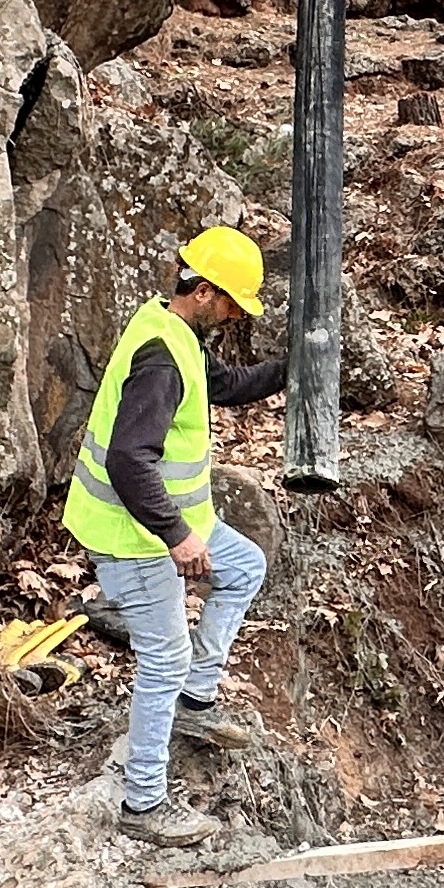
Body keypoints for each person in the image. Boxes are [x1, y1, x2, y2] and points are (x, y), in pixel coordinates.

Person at [62, 225, 286, 846]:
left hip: (165, 521)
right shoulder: (161, 355)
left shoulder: (173, 327)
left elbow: (217, 386)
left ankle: (195, 704)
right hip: (132, 533)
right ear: (207, 290)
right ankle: (144, 803)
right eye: (235, 303)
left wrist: (289, 371)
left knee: (243, 569)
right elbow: (129, 459)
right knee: (164, 655)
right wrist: (179, 538)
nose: (237, 314)